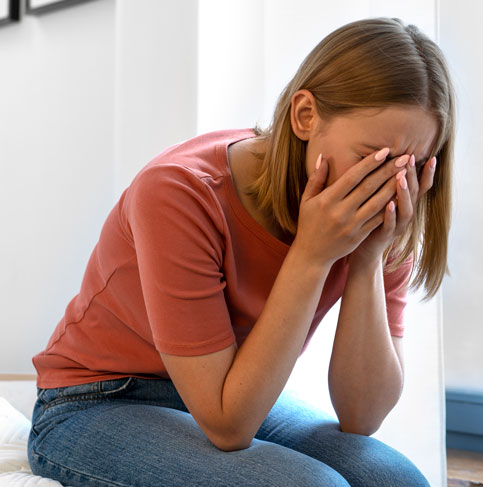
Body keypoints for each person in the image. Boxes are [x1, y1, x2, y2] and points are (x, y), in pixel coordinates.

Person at [27, 16, 455, 487]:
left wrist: (367, 260)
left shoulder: (391, 204)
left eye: (410, 165)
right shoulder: (179, 192)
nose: (389, 185)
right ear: (305, 116)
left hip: (225, 389)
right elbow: (229, 425)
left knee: (395, 480)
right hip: (100, 398)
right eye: (371, 158)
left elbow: (361, 415)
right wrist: (312, 256)